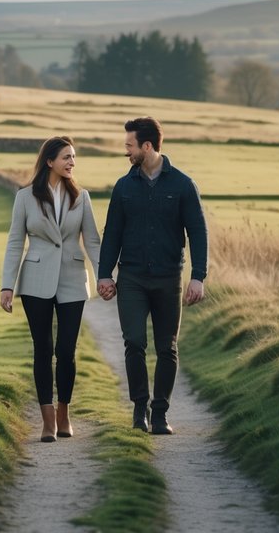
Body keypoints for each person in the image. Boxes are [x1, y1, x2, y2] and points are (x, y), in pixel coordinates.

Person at [97, 116, 207, 435]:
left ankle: (160, 413)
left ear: (147, 146)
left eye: (129, 146)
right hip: (131, 278)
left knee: (166, 347)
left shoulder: (183, 185)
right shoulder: (123, 187)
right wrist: (105, 275)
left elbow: (198, 233)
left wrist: (198, 276)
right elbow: (113, 233)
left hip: (168, 279)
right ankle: (139, 409)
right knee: (134, 342)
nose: (126, 152)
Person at [0, 136, 101, 442]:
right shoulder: (25, 197)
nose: (72, 162)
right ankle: (46, 422)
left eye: (74, 158)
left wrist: (105, 278)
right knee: (42, 349)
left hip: (72, 278)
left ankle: (63, 413)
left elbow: (93, 241)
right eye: (66, 157)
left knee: (66, 350)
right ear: (49, 162)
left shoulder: (81, 197)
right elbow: (15, 242)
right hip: (35, 280)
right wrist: (7, 285)